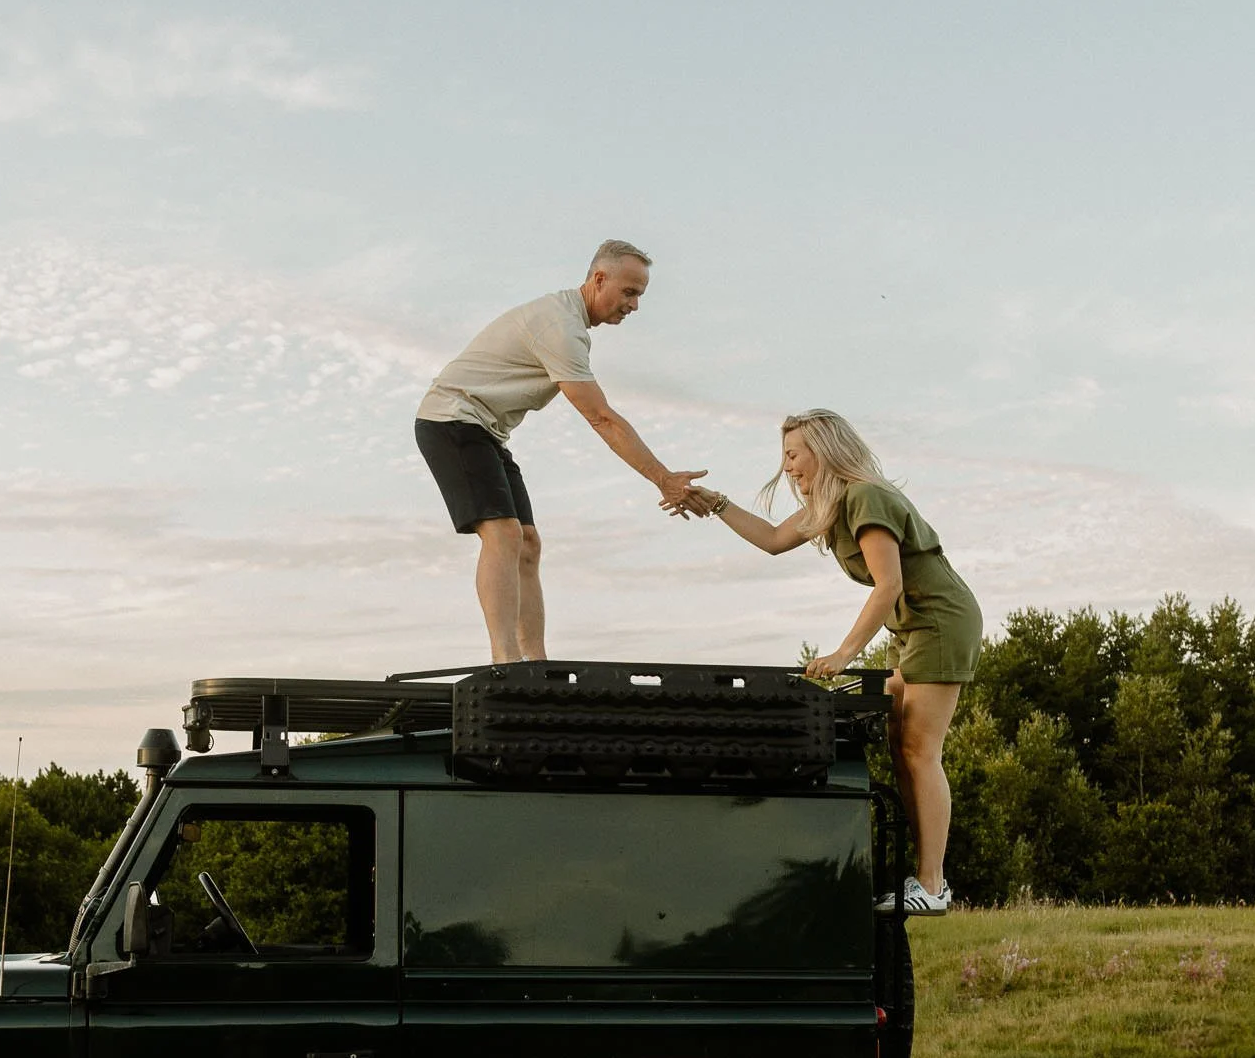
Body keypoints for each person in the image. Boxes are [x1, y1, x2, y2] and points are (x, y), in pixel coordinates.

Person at [684, 410, 982, 915]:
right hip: (908, 626)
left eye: (794, 453)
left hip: (939, 619)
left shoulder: (865, 497)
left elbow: (889, 585)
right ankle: (923, 880)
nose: (788, 466)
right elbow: (772, 540)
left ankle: (932, 886)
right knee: (897, 745)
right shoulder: (830, 505)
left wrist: (846, 652)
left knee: (918, 748)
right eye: (785, 456)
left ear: (824, 449)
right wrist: (713, 503)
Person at [415, 241, 706, 663]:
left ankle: (536, 664)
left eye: (640, 294)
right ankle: (506, 661)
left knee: (528, 543)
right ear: (598, 279)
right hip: (451, 420)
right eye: (629, 292)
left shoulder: (569, 323)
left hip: (485, 430)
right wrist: (663, 478)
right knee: (503, 533)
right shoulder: (560, 327)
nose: (635, 305)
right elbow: (601, 418)